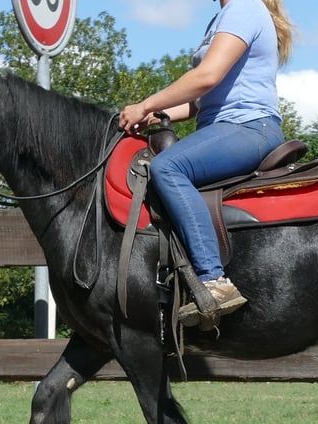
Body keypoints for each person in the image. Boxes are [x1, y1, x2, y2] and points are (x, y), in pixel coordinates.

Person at [119, 0, 294, 324]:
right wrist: (157, 115)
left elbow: (207, 76)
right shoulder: (223, 17)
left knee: (168, 167)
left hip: (249, 127)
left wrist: (145, 104)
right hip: (223, 128)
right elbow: (200, 102)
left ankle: (215, 282)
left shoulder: (244, 8)